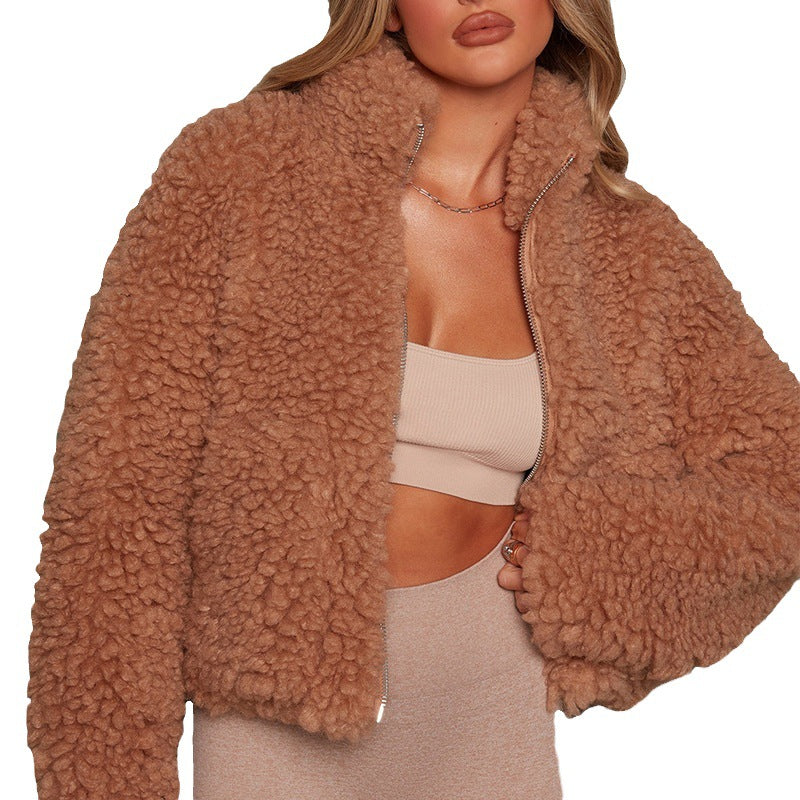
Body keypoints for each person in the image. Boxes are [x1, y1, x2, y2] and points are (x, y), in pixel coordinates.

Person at [26, 1, 800, 799]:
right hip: (269, 719)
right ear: (390, 12)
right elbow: (116, 500)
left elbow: (785, 471)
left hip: (490, 707)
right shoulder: (244, 169)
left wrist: (597, 559)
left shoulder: (628, 244)